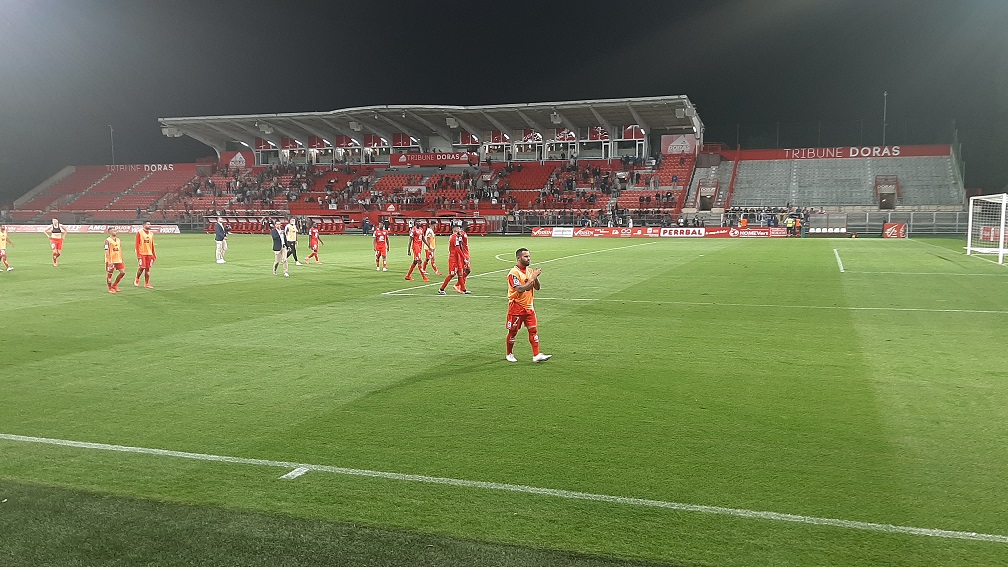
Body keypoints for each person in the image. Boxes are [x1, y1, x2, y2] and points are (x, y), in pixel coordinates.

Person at [505, 247, 551, 363]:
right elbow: (520, 289)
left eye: (529, 256)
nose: (528, 258)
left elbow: (537, 288)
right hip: (516, 306)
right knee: (513, 332)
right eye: (526, 256)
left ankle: (536, 355)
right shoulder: (513, 273)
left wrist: (535, 278)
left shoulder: (530, 271)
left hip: (529, 306)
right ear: (519, 258)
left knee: (533, 330)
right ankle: (509, 353)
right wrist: (533, 278)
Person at [134, 221, 156, 288]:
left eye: (150, 224)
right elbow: (137, 244)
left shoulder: (151, 234)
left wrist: (154, 254)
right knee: (142, 267)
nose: (150, 225)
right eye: (148, 224)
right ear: (144, 225)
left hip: (149, 253)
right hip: (142, 253)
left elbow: (152, 245)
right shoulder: (140, 232)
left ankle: (147, 283)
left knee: (148, 268)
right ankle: (137, 278)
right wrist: (138, 254)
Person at [104, 227, 126, 293]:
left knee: (122, 272)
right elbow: (107, 251)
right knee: (110, 274)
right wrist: (109, 260)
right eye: (113, 231)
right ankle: (110, 288)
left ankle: (115, 285)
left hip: (118, 259)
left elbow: (119, 250)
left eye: (115, 231)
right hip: (111, 260)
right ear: (110, 232)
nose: (115, 232)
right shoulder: (107, 240)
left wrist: (121, 258)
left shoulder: (118, 240)